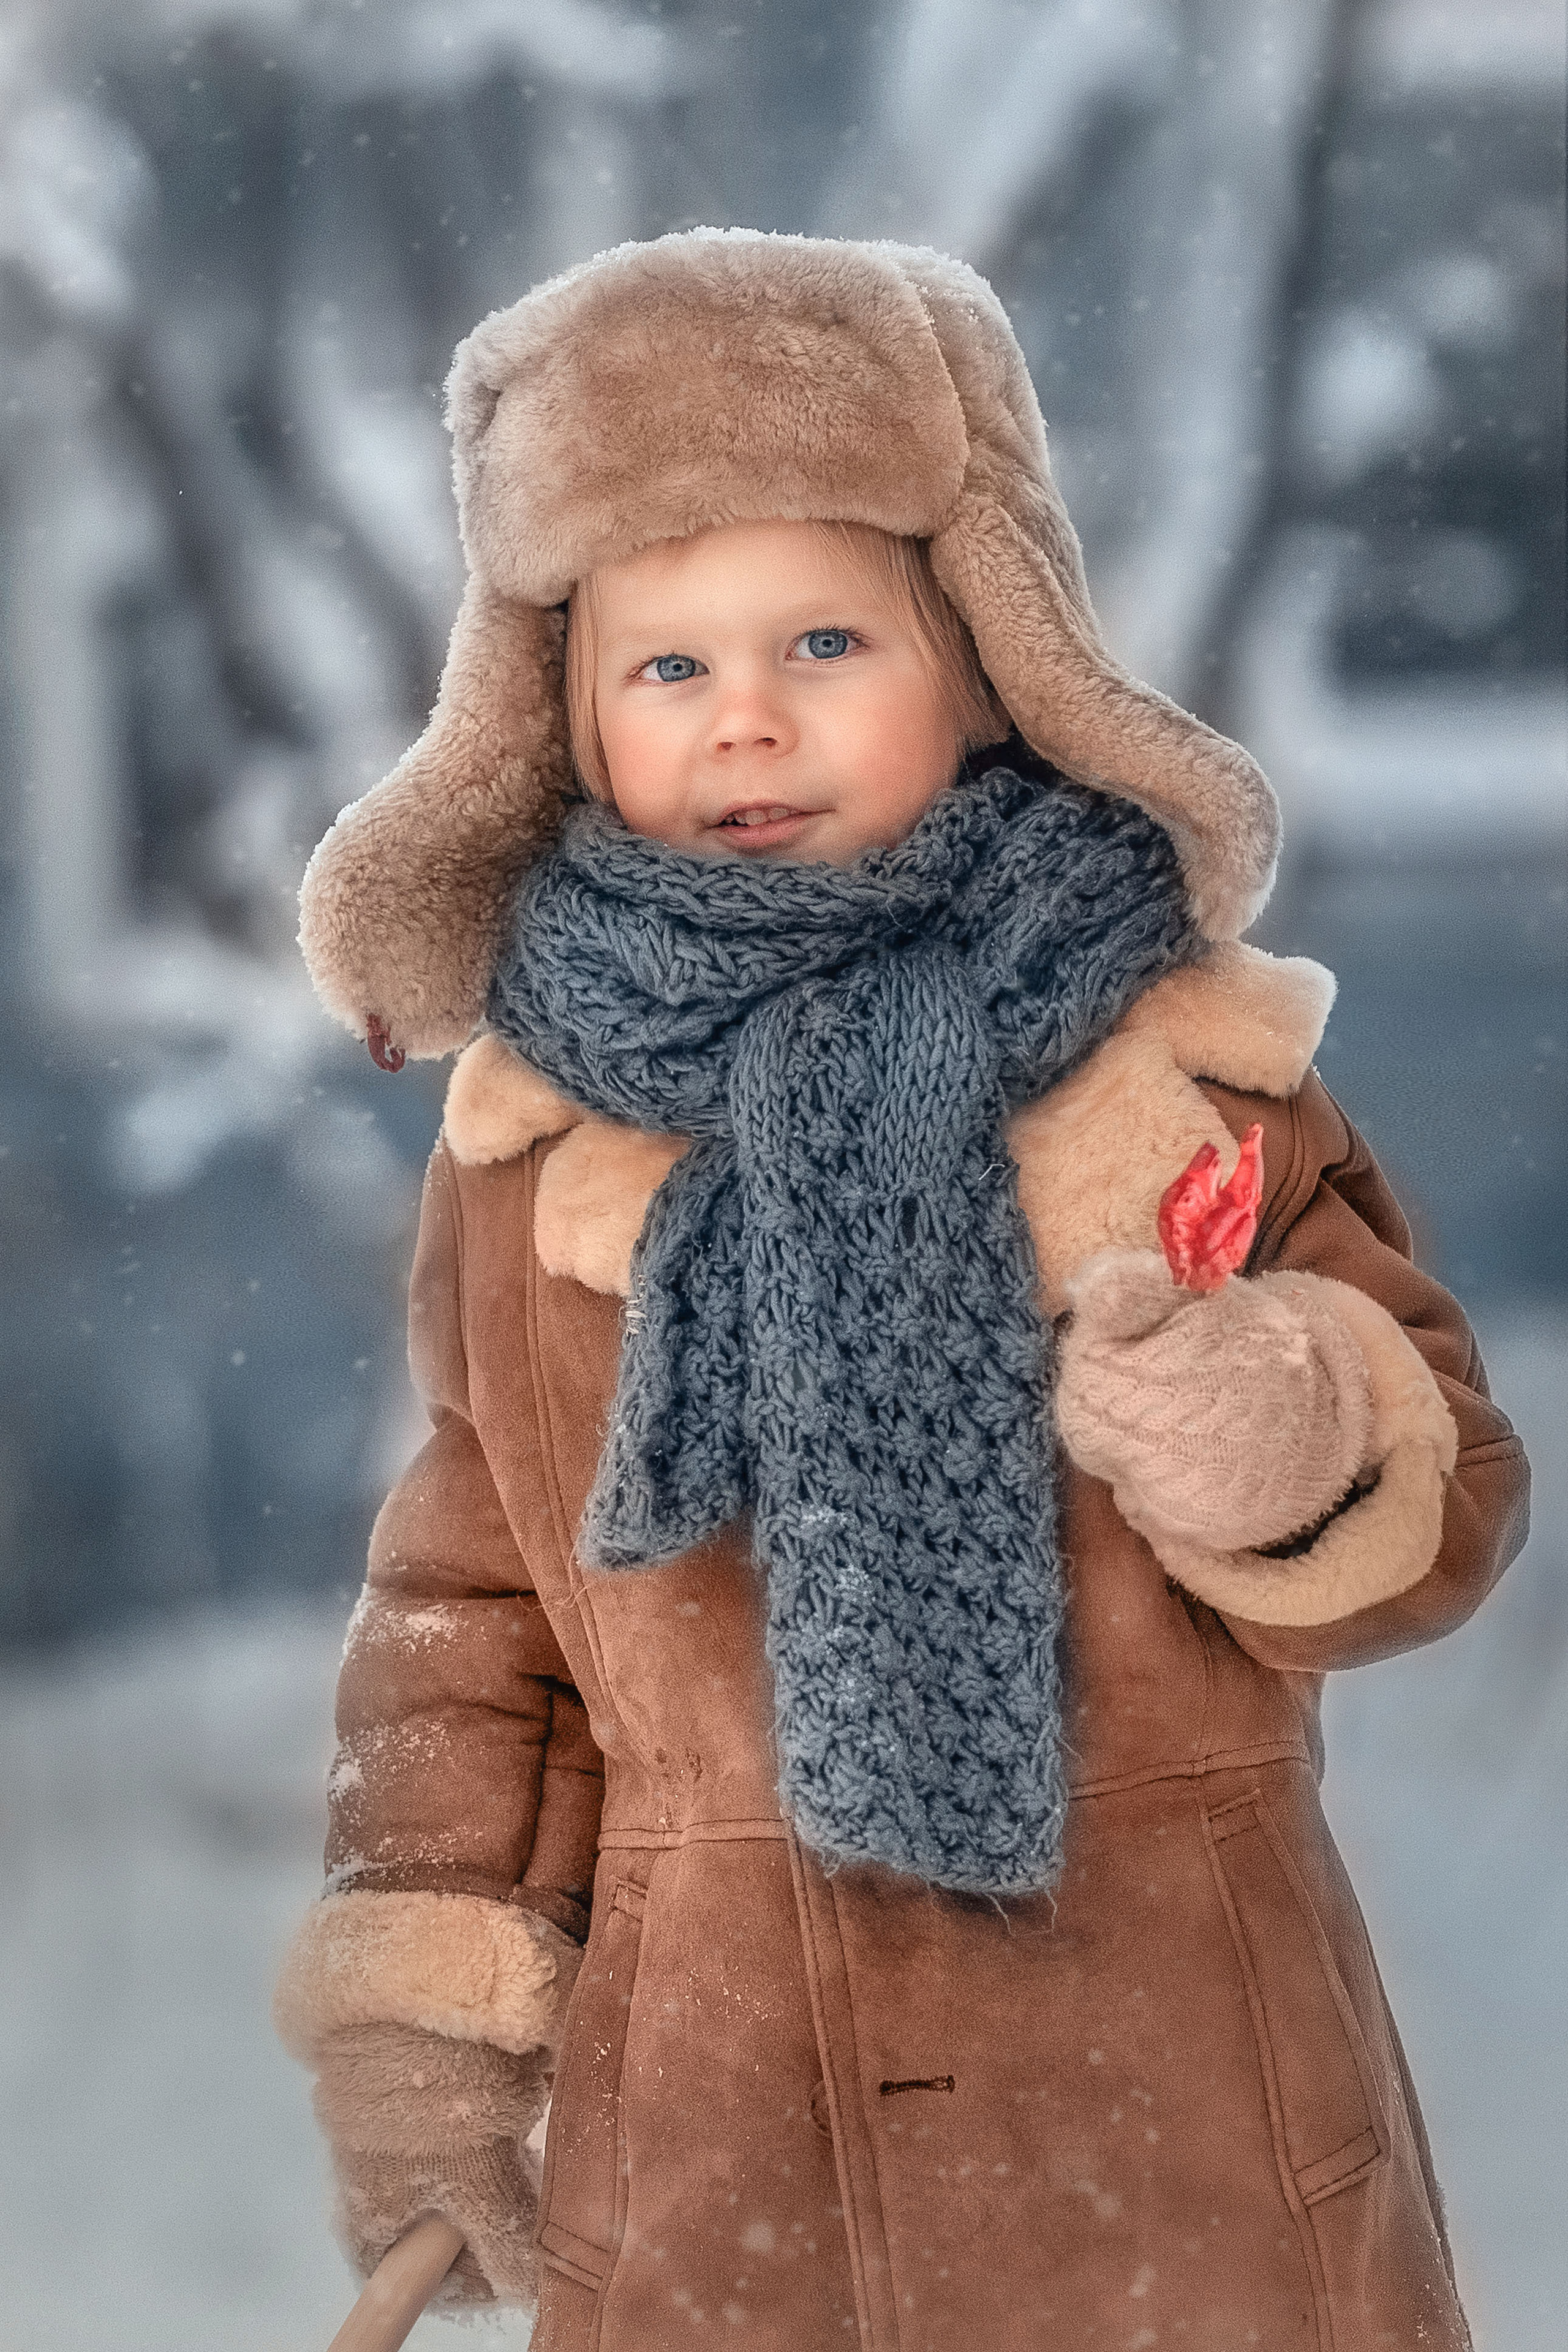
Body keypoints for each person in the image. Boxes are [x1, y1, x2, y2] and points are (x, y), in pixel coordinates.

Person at [274, 230, 1528, 2350]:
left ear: (987, 658)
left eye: (828, 638)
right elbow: (478, 1606)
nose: (745, 714)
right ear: (569, 717)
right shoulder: (534, 1145)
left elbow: (1445, 1493)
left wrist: (1285, 1425)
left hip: (1184, 2132)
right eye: (668, 666)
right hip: (719, 2153)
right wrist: (434, 2010)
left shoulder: (1183, 1062)